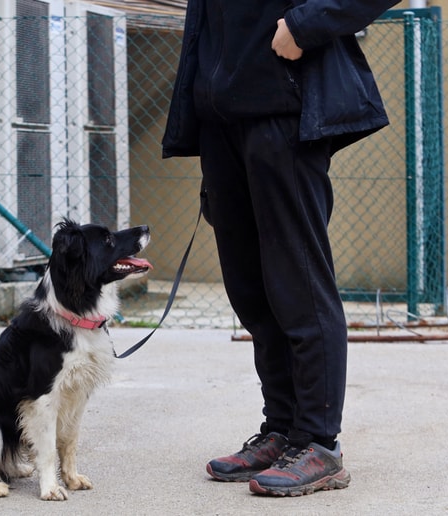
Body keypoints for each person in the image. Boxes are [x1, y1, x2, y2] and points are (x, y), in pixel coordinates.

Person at [162, 0, 400, 497]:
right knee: (252, 290)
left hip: (282, 113)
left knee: (299, 287)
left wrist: (304, 24)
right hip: (221, 122)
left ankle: (318, 443)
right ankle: (282, 430)